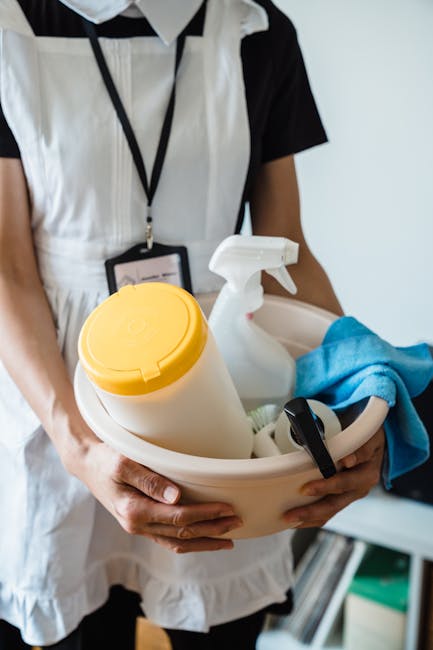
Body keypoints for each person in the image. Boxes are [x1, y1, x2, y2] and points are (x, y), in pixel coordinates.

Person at [0, 1, 385, 648]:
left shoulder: (256, 29)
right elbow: (8, 268)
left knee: (222, 622)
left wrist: (358, 393)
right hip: (59, 391)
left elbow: (285, 245)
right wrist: (79, 449)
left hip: (219, 375)